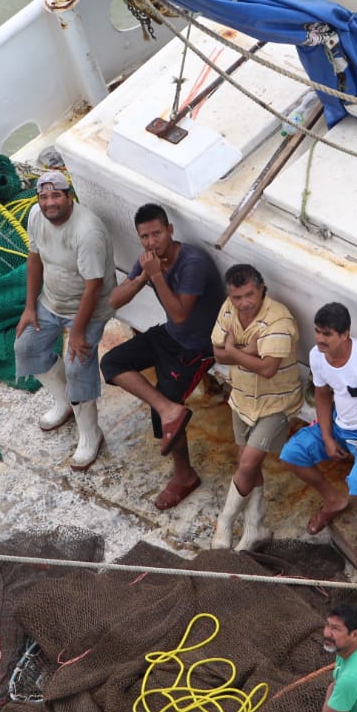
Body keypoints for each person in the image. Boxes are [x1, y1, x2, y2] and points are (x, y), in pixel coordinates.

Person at [102, 203, 224, 510]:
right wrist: (142, 277)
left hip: (197, 348)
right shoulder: (149, 262)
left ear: (170, 230)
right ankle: (168, 408)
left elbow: (182, 315)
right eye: (144, 237)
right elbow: (114, 301)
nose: (151, 242)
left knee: (163, 413)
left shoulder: (191, 263)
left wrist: (156, 276)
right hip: (169, 336)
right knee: (112, 362)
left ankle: (184, 476)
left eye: (157, 233)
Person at [279, 302, 357, 566]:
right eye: (317, 332)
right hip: (340, 423)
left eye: (327, 334)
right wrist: (326, 436)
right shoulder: (317, 355)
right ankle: (333, 500)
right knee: (291, 454)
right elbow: (323, 394)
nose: (319, 339)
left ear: (345, 334)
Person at [14, 170, 116, 471]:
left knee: (77, 363)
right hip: (51, 300)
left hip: (89, 308)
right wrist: (30, 306)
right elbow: (34, 258)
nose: (49, 203)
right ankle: (65, 402)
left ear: (69, 196)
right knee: (26, 347)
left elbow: (94, 286)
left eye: (56, 195)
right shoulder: (35, 215)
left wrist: (78, 332)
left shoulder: (87, 231)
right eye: (43, 197)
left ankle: (90, 433)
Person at [208, 264, 303, 551]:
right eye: (237, 297)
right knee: (248, 465)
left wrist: (234, 350)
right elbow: (215, 353)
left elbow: (268, 368)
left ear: (262, 289)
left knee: (248, 463)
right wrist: (247, 352)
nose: (243, 303)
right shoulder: (228, 309)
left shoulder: (279, 320)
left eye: (250, 294)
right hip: (241, 398)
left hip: (276, 402)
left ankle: (224, 521)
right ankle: (255, 527)